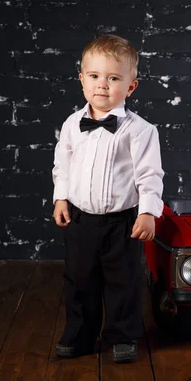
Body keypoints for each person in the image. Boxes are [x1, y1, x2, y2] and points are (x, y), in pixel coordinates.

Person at [51, 35, 164, 363]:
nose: (103, 85)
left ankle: (123, 335)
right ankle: (80, 335)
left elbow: (149, 176)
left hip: (122, 221)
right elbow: (64, 164)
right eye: (95, 76)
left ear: (130, 86)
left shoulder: (141, 131)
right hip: (80, 218)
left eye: (114, 78)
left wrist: (148, 213)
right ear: (82, 79)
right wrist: (61, 199)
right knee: (79, 280)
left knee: (122, 281)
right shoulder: (73, 124)